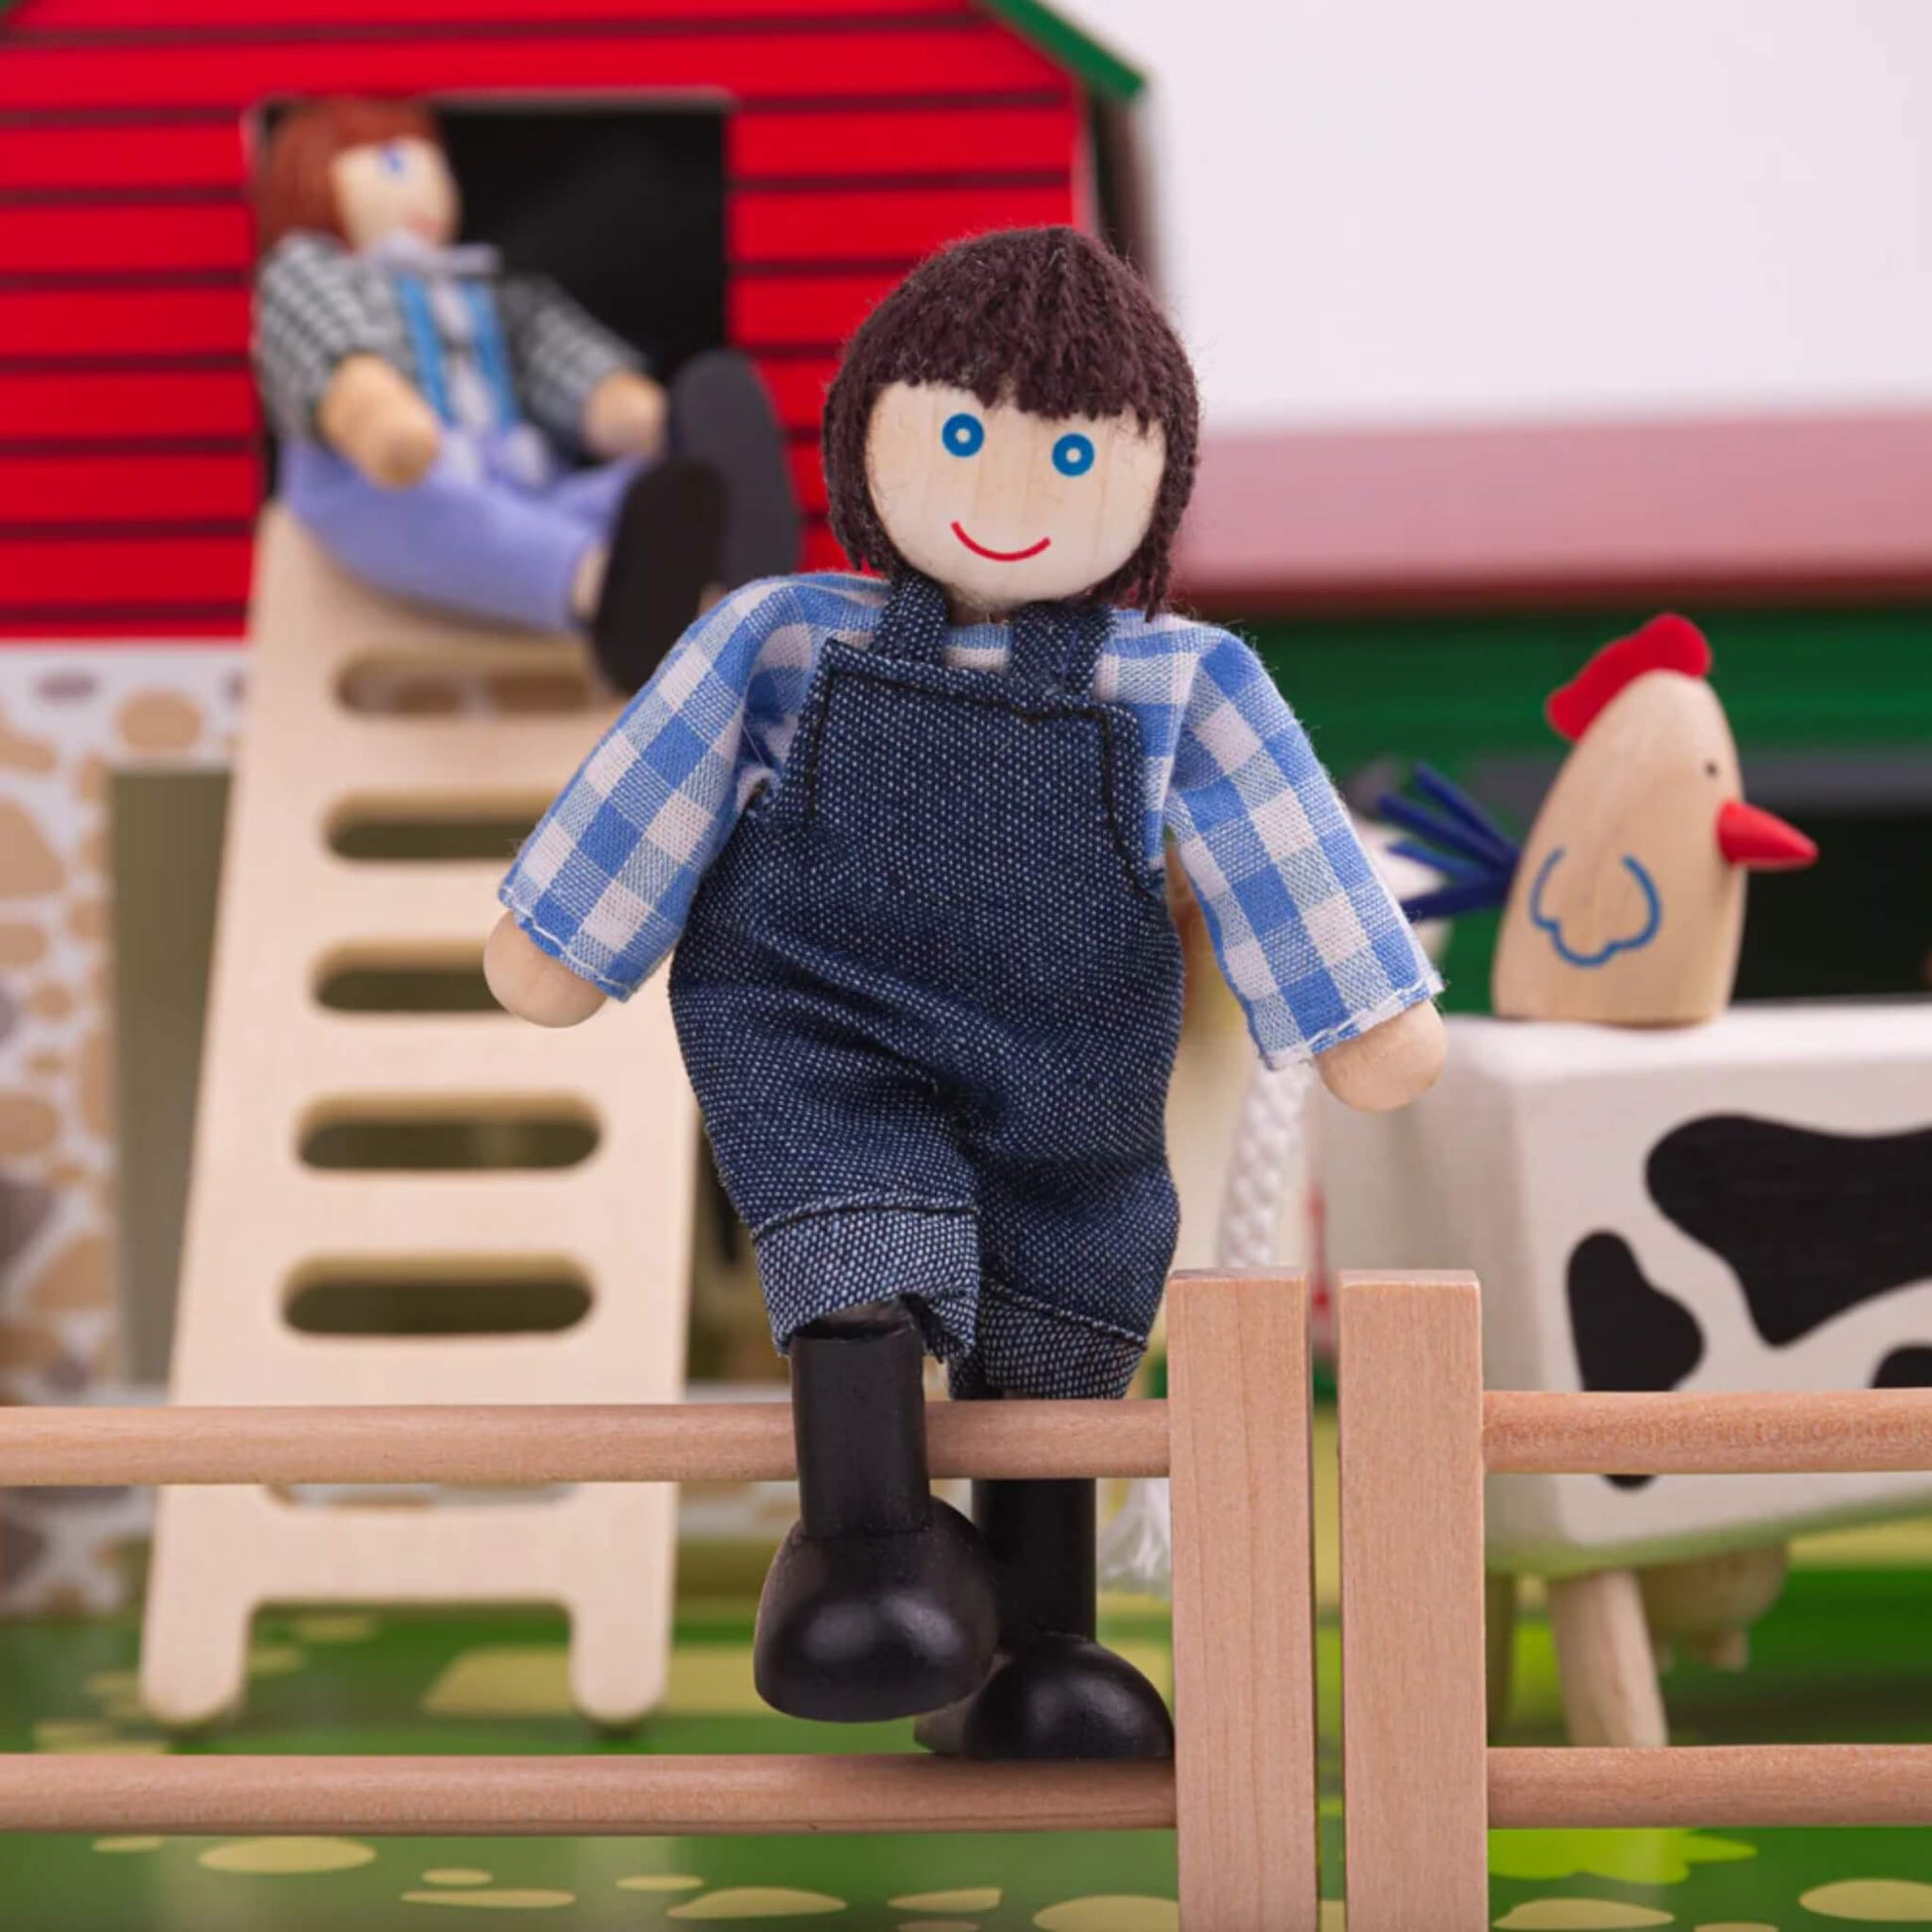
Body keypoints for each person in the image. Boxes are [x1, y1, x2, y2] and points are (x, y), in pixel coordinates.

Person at [485, 227, 1448, 1758]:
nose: (1006, 495)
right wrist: (567, 937)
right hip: (824, 1030)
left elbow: (1282, 846)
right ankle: (862, 1547)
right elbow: (653, 779)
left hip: (1068, 1062)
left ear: (1149, 486)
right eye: (957, 437)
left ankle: (1034, 1644)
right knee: (858, 1257)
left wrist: (1358, 1013)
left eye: (1072, 454)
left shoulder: (1176, 683)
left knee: (1052, 1336)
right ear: (868, 432)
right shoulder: (786, 638)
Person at [253, 97, 796, 690]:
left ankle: (711, 511)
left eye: (431, 167)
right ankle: (602, 590)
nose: (425, 190)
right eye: (393, 169)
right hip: (384, 483)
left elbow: (552, 354)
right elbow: (332, 354)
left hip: (519, 479)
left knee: (624, 494)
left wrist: (641, 416)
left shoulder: (482, 284)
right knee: (457, 519)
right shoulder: (314, 271)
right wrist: (382, 422)